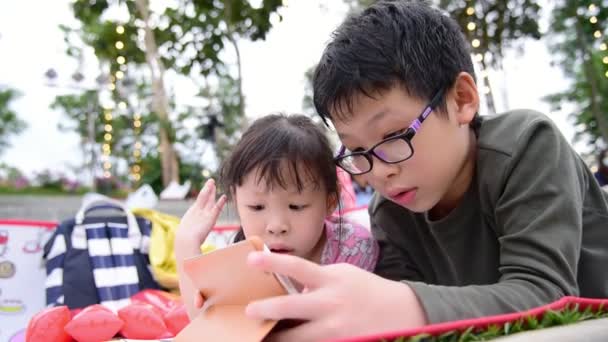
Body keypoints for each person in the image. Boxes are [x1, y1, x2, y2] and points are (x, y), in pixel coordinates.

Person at [242, 1, 608, 341]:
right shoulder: (390, 211)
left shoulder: (526, 145)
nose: (379, 172)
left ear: (462, 99)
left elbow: (547, 294)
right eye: (356, 150)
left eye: (394, 136)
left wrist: (405, 305)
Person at [174, 114, 379, 319]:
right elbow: (209, 326)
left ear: (330, 202)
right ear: (236, 201)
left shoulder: (353, 249)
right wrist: (186, 243)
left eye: (296, 206)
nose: (277, 226)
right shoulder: (240, 262)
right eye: (256, 207)